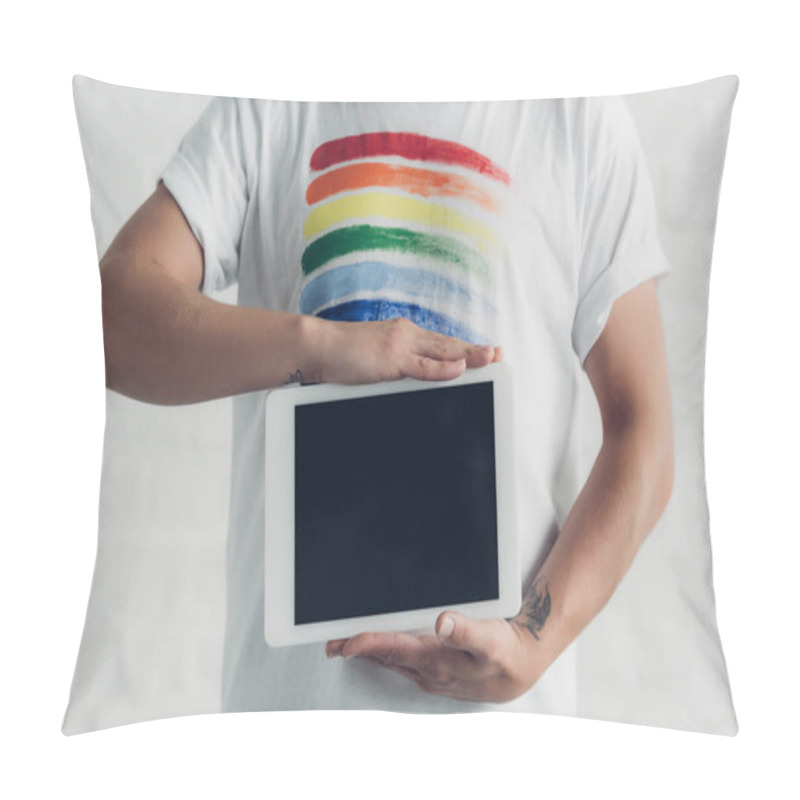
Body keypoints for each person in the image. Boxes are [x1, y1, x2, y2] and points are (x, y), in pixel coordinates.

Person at [99, 95, 674, 715]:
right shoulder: (270, 103)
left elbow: (644, 431)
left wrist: (533, 643)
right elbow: (111, 319)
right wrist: (323, 347)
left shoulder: (580, 120)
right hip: (292, 731)